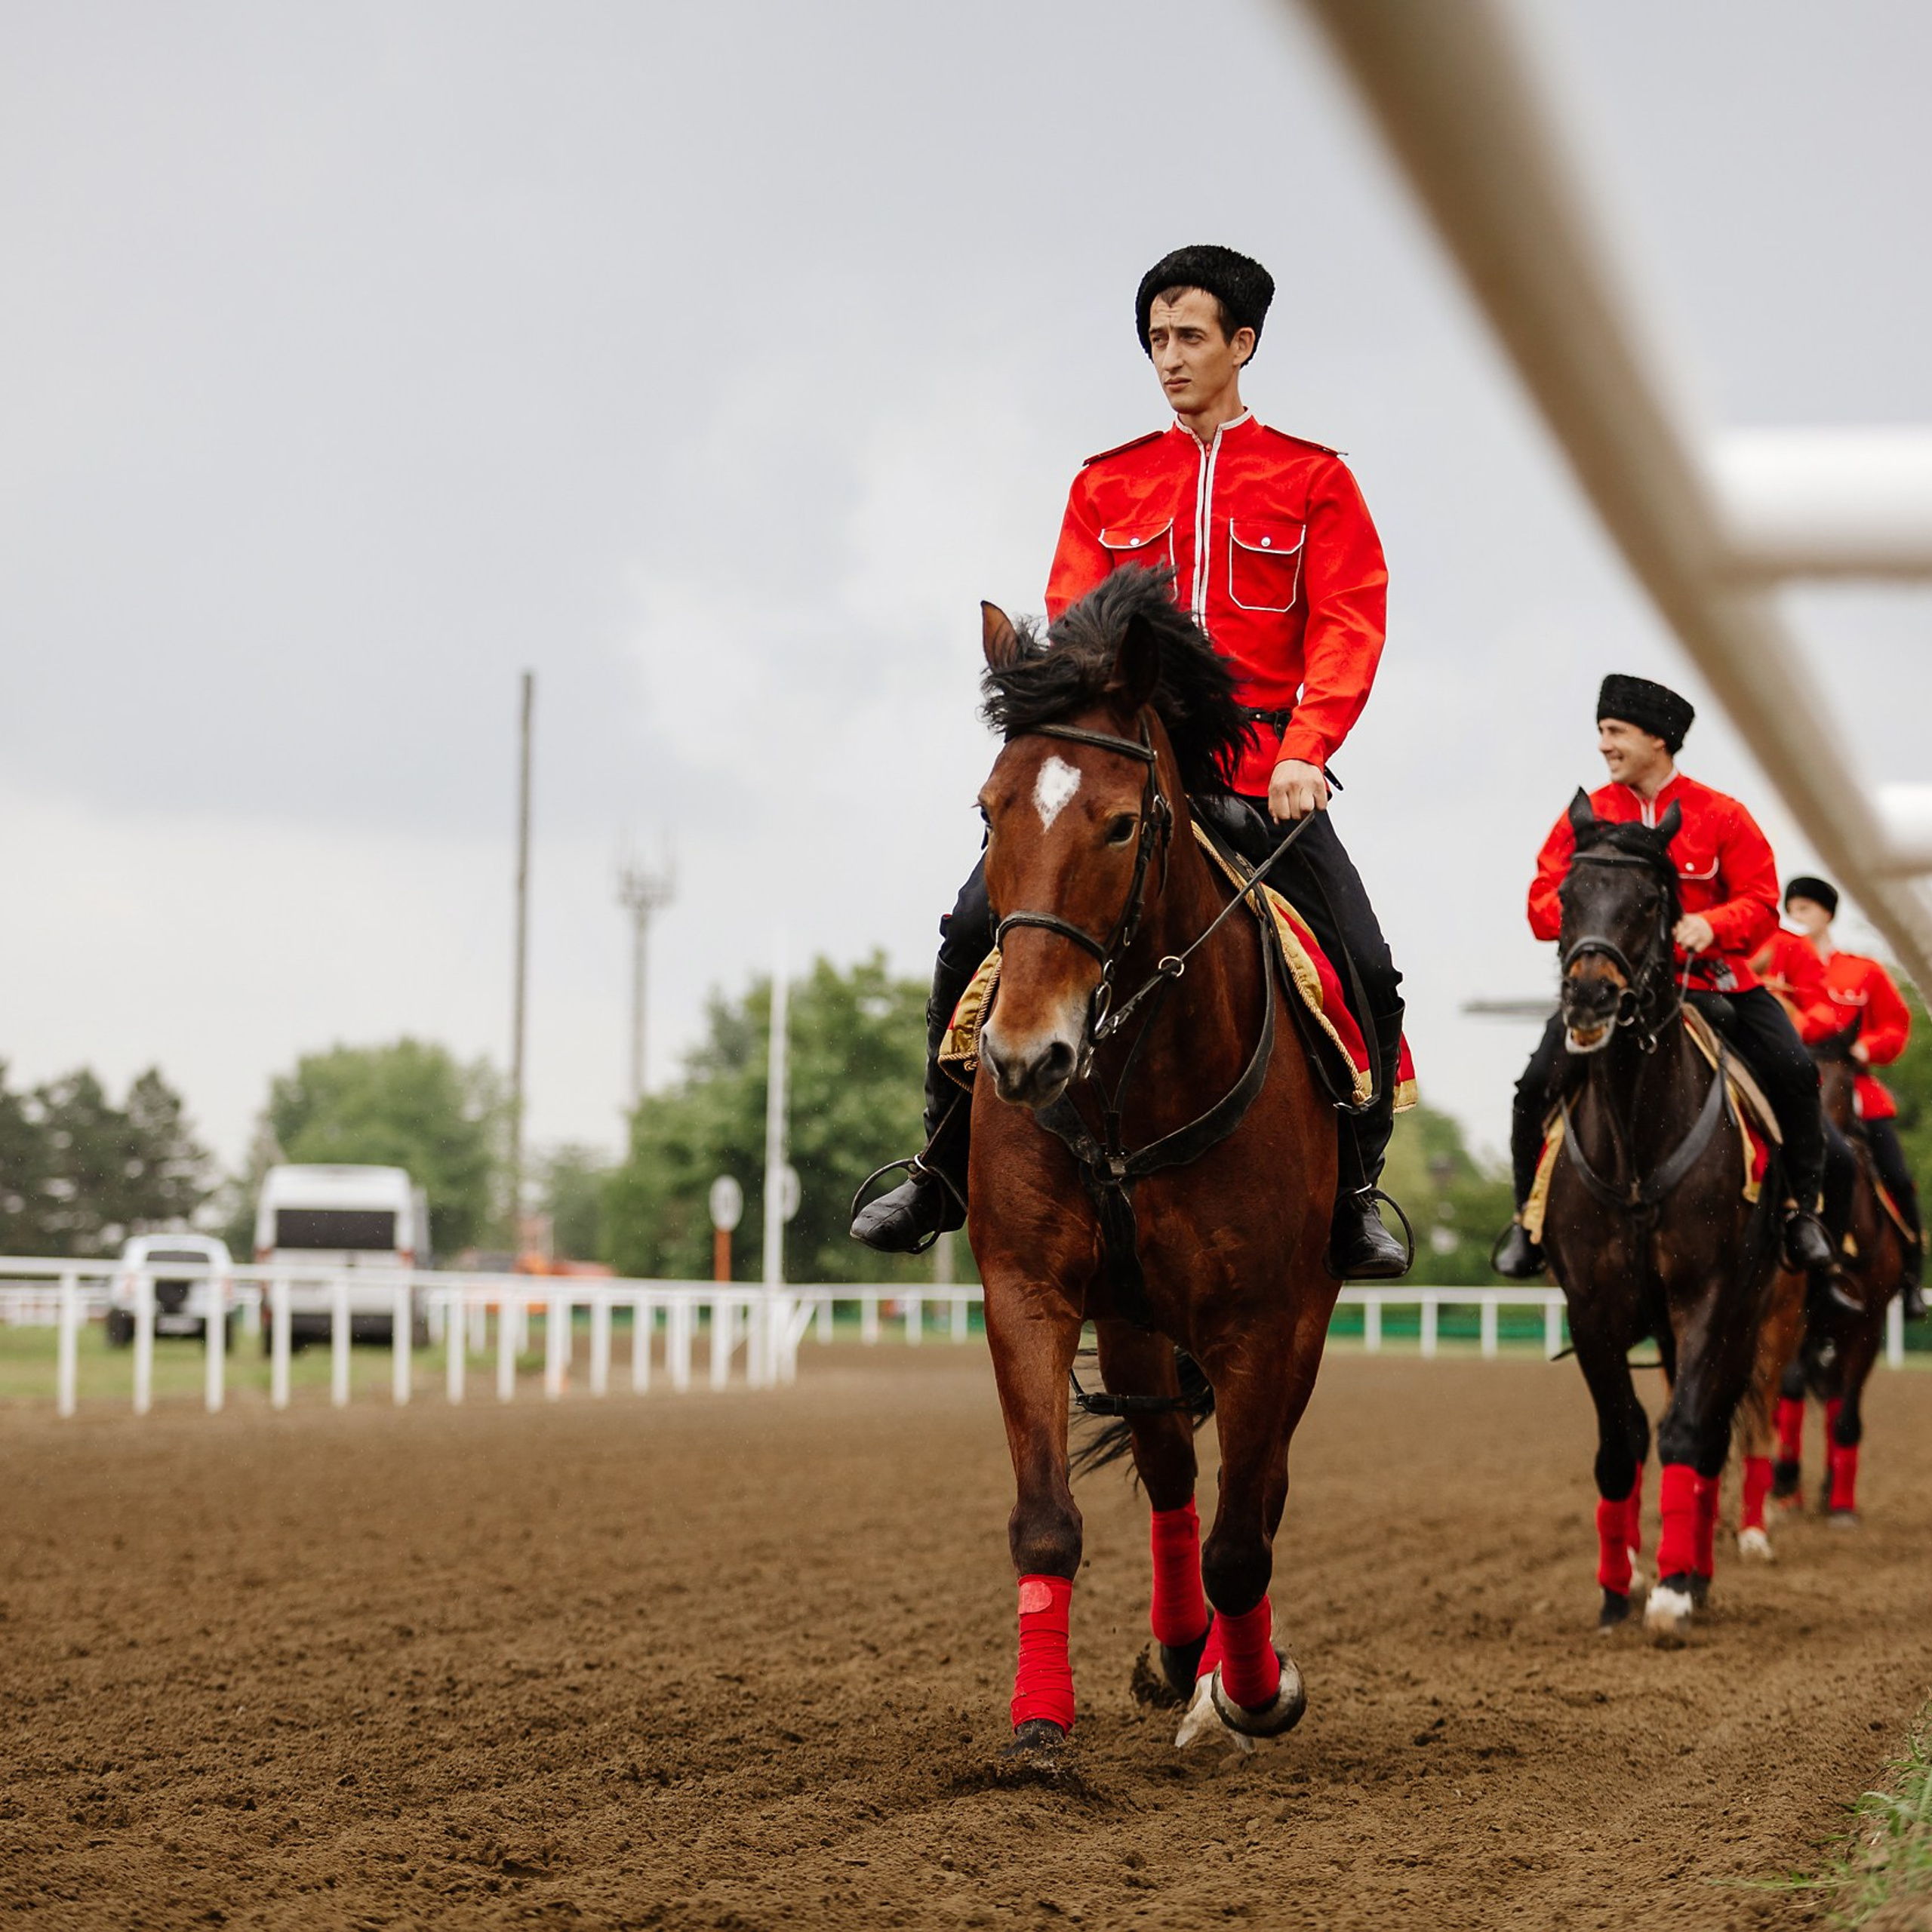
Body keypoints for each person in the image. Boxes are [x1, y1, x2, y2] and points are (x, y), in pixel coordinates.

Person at [852, 243, 1409, 1278]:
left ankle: (1359, 1196)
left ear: (1243, 344)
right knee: (974, 925)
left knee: (1366, 965)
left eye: (1191, 337)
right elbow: (1069, 634)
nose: (1170, 358)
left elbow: (1347, 624)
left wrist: (1307, 752)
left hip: (1258, 781)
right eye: (1157, 340)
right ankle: (938, 1166)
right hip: (1119, 774)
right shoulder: (1108, 483)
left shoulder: (1315, 480)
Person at [1493, 675, 1844, 1282]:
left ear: (1659, 738)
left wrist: (1712, 925)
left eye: (1615, 732)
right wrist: (1590, 918)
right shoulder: (1586, 816)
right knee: (1531, 1089)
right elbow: (1540, 905)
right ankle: (1529, 1223)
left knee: (1796, 1072)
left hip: (1717, 985)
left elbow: (1762, 904)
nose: (1603, 746)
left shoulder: (1724, 815)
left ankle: (1799, 1214)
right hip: (1610, 994)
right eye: (1601, 732)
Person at [1774, 876, 1924, 1321]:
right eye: (1792, 907)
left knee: (1896, 1174)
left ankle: (1912, 1275)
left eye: (1805, 907)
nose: (1797, 915)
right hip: (1791, 1084)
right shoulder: (1775, 969)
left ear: (1827, 914)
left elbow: (1896, 1024)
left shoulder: (1863, 971)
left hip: (1852, 1088)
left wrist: (1867, 1048)